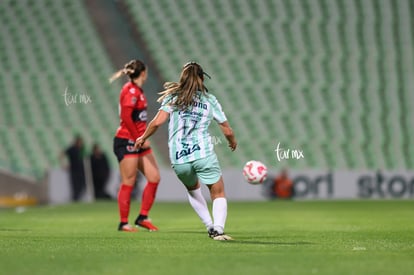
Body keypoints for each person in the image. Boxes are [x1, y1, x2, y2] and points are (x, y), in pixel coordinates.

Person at [134, 62, 237, 241]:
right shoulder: (209, 100)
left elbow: (157, 122)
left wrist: (142, 138)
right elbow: (227, 130)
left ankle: (209, 226)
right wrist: (232, 141)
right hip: (202, 153)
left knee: (193, 190)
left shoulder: (174, 97)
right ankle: (218, 228)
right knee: (218, 191)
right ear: (202, 78)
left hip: (179, 157)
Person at [110, 59, 161, 232]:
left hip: (139, 141)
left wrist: (141, 137)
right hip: (127, 141)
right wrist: (138, 137)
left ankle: (142, 217)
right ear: (143, 73)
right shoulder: (130, 90)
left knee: (154, 177)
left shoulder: (138, 91)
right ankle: (123, 223)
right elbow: (126, 117)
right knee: (129, 181)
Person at [61, 135, 86, 202]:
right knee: (75, 186)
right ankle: (75, 199)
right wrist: (63, 164)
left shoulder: (81, 149)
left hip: (81, 170)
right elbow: (62, 154)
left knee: (83, 185)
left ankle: (77, 199)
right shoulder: (72, 149)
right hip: (74, 170)